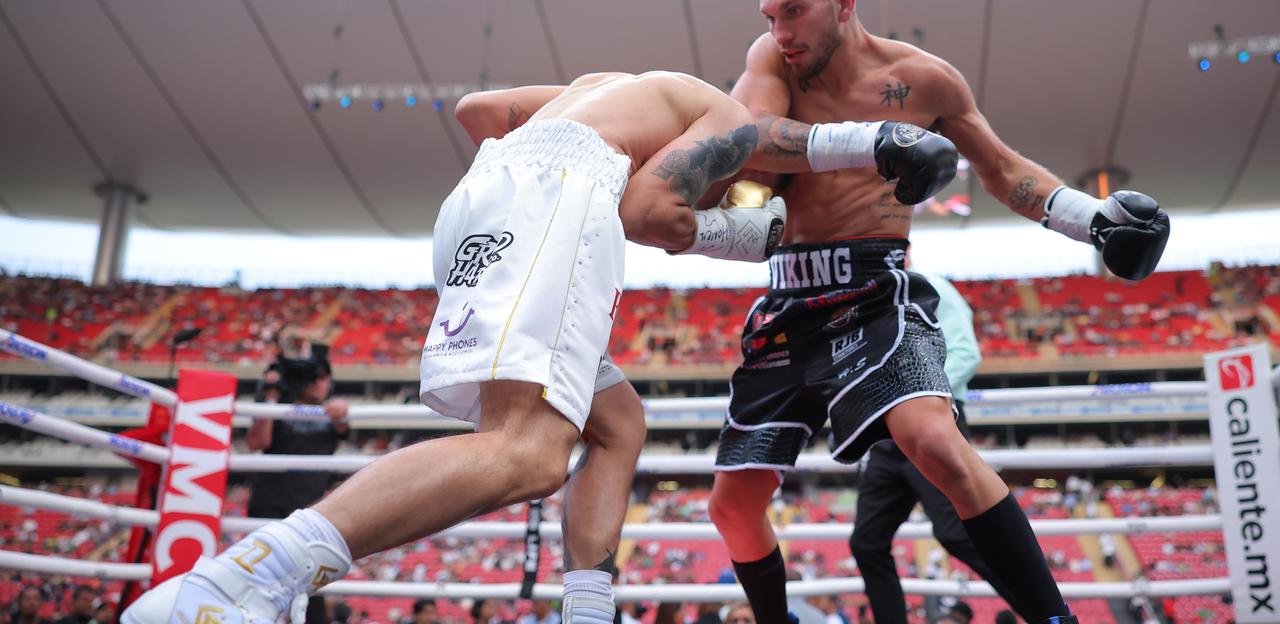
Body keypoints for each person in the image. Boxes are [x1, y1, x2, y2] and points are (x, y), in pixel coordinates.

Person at [125, 71, 950, 624]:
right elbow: (651, 216)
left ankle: (586, 610)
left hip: (482, 204)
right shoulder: (725, 119)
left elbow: (476, 112)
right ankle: (241, 581)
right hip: (550, 204)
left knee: (617, 424)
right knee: (525, 451)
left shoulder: (607, 88)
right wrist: (753, 232)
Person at [707, 0, 1169, 624]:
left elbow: (1003, 170)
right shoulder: (772, 60)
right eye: (770, 15)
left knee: (934, 440)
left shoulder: (925, 80)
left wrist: (1093, 222)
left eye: (793, 12)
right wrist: (874, 140)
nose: (779, 31)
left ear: (843, 3)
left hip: (873, 290)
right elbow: (749, 136)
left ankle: (1055, 619)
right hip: (788, 295)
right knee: (732, 505)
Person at [850, 254, 1033, 623]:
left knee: (957, 534)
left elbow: (966, 353)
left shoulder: (930, 287)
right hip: (887, 431)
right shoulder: (863, 300)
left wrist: (914, 395)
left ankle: (1045, 613)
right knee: (867, 541)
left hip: (932, 422)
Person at [245, 347, 348, 624]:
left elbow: (343, 426)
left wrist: (340, 412)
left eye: (324, 377)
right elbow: (257, 442)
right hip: (269, 503)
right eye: (314, 377)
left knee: (309, 584)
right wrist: (270, 399)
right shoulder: (276, 407)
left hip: (308, 511)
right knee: (262, 582)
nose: (319, 382)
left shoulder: (331, 413)